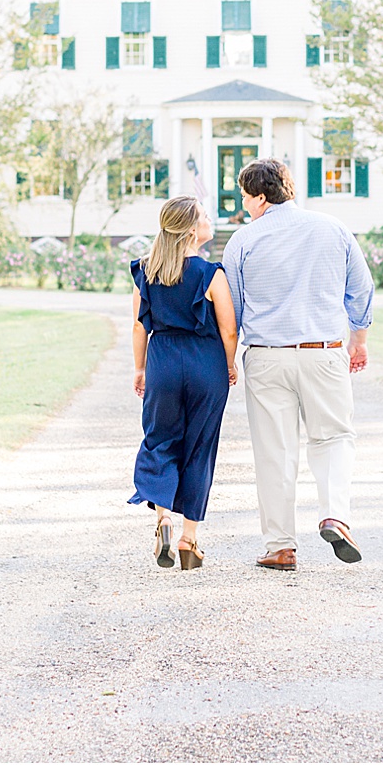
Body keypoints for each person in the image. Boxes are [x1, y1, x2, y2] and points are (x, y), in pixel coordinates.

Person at [221, 158, 374, 571]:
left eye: (244, 197)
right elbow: (361, 289)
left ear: (259, 197)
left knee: (274, 450)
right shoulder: (333, 228)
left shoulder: (242, 241)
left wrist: (229, 360)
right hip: (323, 350)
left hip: (267, 356)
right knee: (334, 437)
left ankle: (281, 546)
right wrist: (358, 340)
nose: (244, 205)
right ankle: (334, 516)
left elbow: (232, 311)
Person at [129, 196, 239, 570]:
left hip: (162, 362)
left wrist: (140, 368)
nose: (209, 219)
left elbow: (139, 326)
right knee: (200, 446)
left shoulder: (146, 271)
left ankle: (163, 518)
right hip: (205, 364)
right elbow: (228, 330)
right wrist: (228, 365)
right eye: (205, 215)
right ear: (193, 229)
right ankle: (189, 540)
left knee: (160, 440)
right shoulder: (211, 274)